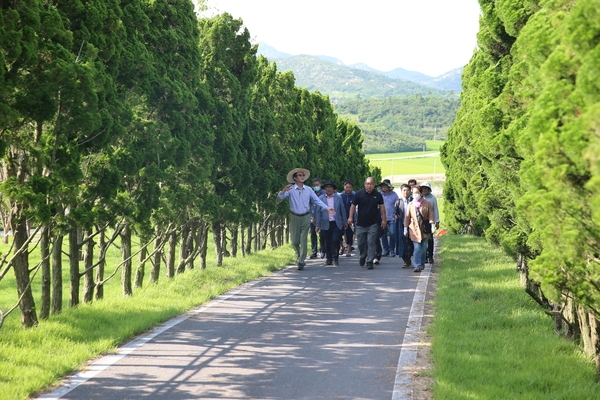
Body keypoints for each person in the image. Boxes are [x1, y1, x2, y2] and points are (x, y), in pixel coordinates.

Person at [278, 168, 335, 270]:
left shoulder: (308, 189)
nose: (302, 177)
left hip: (306, 216)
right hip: (295, 216)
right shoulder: (290, 189)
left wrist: (327, 208)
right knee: (295, 241)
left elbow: (317, 200)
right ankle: (300, 255)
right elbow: (280, 197)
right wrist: (283, 190)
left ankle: (301, 261)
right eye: (299, 175)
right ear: (295, 178)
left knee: (303, 239)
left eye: (303, 175)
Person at [348, 177, 386, 270]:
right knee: (361, 243)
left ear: (374, 185)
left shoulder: (377, 195)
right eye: (367, 184)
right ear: (364, 184)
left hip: (373, 224)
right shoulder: (359, 194)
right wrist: (350, 217)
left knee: (371, 242)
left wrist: (384, 219)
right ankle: (363, 255)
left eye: (371, 184)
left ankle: (369, 261)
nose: (369, 186)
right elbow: (353, 206)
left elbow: (382, 208)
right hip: (361, 224)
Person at [315, 180, 348, 266]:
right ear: (324, 188)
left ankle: (335, 257)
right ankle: (329, 258)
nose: (329, 189)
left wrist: (345, 221)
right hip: (325, 223)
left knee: (336, 240)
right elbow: (318, 212)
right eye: (327, 187)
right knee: (327, 241)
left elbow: (342, 210)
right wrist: (318, 225)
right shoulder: (321, 198)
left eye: (330, 187)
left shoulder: (338, 197)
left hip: (336, 223)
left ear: (333, 189)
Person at [404, 185, 435, 272]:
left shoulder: (427, 203)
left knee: (423, 248)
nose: (415, 195)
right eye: (414, 193)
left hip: (424, 229)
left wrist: (432, 225)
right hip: (414, 229)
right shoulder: (410, 204)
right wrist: (405, 229)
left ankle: (422, 262)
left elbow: (431, 215)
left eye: (417, 193)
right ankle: (417, 265)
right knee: (417, 248)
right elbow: (407, 217)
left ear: (421, 193)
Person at [420, 182, 440, 264]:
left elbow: (435, 209)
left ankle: (430, 256)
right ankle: (423, 256)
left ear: (429, 189)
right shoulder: (418, 197)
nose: (424, 190)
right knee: (421, 239)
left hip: (429, 221)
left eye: (426, 188)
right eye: (423, 188)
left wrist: (437, 221)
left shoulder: (432, 198)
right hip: (420, 220)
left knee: (430, 239)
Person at [394, 184, 414, 267]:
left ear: (410, 191)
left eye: (408, 190)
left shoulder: (413, 201)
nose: (406, 192)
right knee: (401, 242)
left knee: (411, 242)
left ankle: (409, 257)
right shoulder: (398, 202)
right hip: (401, 224)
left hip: (412, 224)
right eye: (404, 190)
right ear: (401, 192)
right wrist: (395, 215)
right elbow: (395, 212)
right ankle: (405, 260)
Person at [378, 179, 399, 257]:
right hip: (382, 218)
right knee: (383, 234)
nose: (384, 187)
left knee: (392, 234)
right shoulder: (380, 195)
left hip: (392, 218)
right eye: (382, 186)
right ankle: (385, 250)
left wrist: (396, 214)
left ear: (389, 187)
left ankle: (391, 250)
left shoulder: (394, 195)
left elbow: (398, 206)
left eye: (385, 186)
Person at [309, 177, 326, 259]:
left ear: (320, 185)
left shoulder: (324, 193)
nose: (316, 186)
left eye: (317, 185)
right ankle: (314, 251)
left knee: (322, 235)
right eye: (314, 185)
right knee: (313, 234)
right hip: (312, 217)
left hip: (322, 217)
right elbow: (309, 205)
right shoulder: (311, 194)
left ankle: (323, 250)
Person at [340, 180, 356, 257]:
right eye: (347, 187)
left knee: (349, 234)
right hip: (341, 218)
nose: (348, 189)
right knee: (339, 234)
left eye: (350, 187)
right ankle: (342, 247)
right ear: (344, 187)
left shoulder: (355, 195)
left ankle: (348, 250)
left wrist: (353, 218)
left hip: (351, 218)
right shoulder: (340, 196)